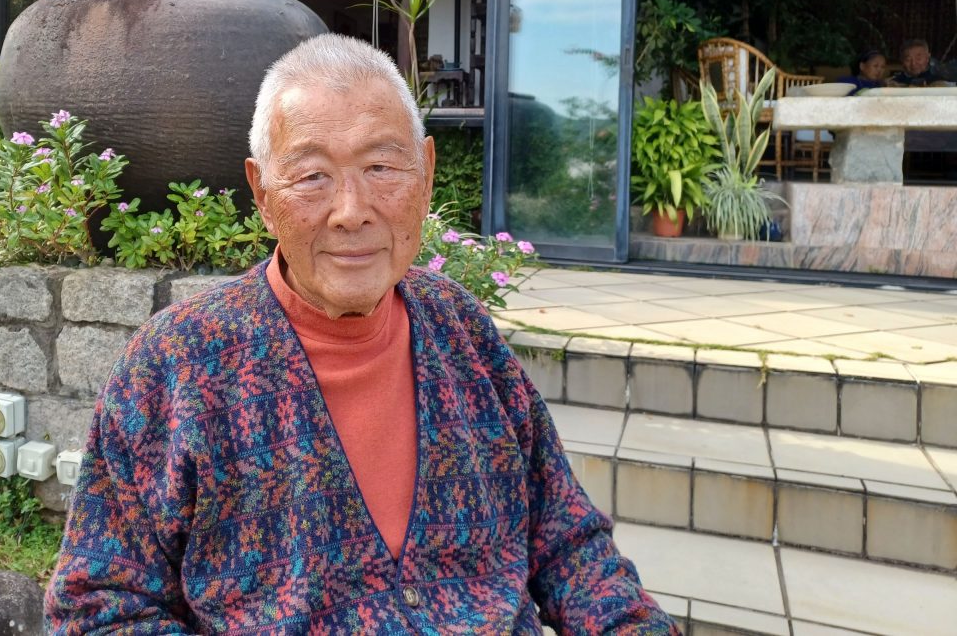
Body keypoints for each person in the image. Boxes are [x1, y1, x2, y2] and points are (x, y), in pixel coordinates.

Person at [45, 33, 677, 634]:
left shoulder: (462, 332)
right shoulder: (179, 364)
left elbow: (565, 540)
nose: (352, 211)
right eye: (312, 176)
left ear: (425, 174)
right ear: (263, 194)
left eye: (381, 166)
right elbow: (99, 607)